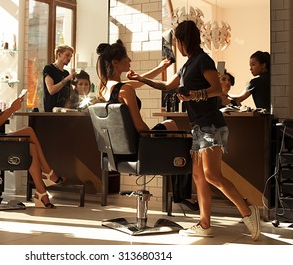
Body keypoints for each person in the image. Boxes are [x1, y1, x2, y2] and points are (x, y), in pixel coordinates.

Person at [128, 20, 261, 240]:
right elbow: (166, 86)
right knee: (198, 176)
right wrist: (140, 78)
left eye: (178, 41)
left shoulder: (203, 60)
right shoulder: (187, 65)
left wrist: (193, 96)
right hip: (199, 126)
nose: (177, 46)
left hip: (211, 124)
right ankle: (204, 224)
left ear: (183, 40)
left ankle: (248, 212)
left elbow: (217, 89)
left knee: (211, 175)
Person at [96, 39, 197, 211]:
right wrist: (155, 137)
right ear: (115, 62)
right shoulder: (125, 90)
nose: (130, 61)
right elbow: (140, 127)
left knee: (170, 126)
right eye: (127, 57)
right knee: (176, 130)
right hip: (139, 147)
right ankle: (182, 195)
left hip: (118, 151)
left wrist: (161, 67)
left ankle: (181, 195)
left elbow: (140, 81)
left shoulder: (105, 88)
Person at [0, 54, 65, 208]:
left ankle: (42, 194)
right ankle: (48, 172)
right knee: (29, 131)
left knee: (31, 146)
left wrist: (6, 111)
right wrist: (11, 109)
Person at [43, 44, 77, 112]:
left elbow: (71, 93)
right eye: (67, 55)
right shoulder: (49, 69)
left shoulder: (66, 73)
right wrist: (67, 78)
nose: (69, 58)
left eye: (70, 56)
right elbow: (51, 90)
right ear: (59, 54)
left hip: (64, 111)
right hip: (51, 112)